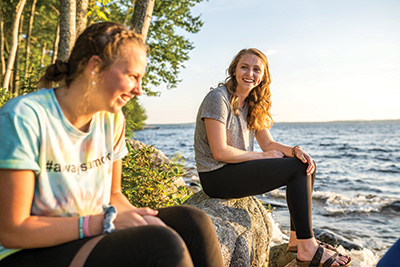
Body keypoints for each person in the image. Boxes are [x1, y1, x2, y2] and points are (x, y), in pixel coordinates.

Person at [0, 22, 223, 267]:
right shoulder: (24, 117)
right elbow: (12, 230)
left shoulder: (112, 119)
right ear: (94, 67)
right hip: (28, 251)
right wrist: (103, 223)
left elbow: (113, 195)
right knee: (160, 243)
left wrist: (137, 218)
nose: (139, 90)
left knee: (192, 222)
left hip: (89, 231)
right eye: (132, 76)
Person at [194, 48, 351, 267]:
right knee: (295, 171)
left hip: (234, 170)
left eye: (256, 69)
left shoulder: (251, 103)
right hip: (216, 176)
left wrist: (295, 150)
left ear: (263, 76)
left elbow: (268, 143)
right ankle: (308, 247)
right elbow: (220, 151)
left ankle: (297, 240)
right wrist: (262, 156)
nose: (250, 73)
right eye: (244, 67)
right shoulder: (218, 98)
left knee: (304, 164)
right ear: (234, 70)